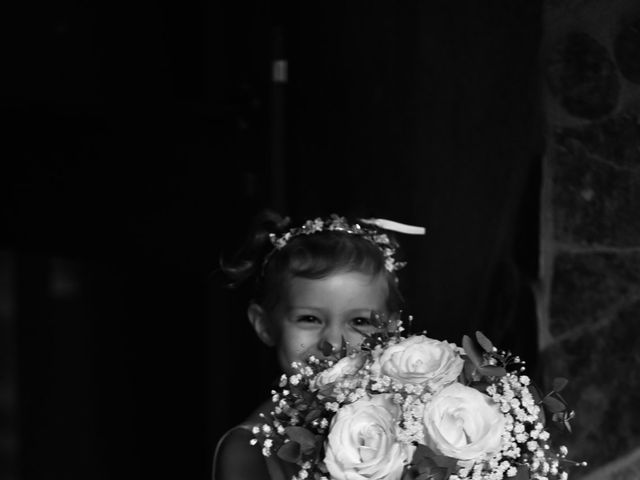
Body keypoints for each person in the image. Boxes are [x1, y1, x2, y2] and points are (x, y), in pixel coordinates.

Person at [212, 210, 424, 480]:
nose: (334, 343)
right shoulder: (247, 449)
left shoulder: (419, 423)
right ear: (264, 325)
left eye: (359, 321)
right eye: (309, 319)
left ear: (392, 328)